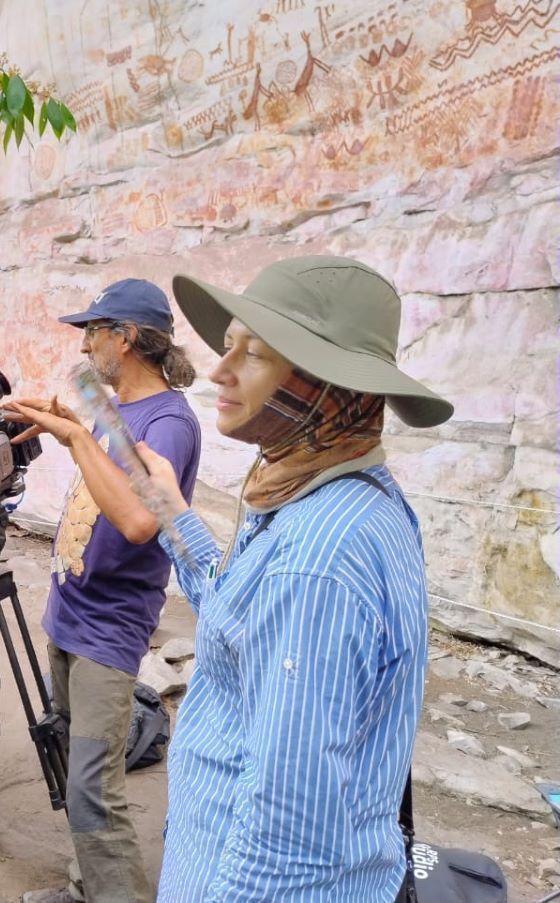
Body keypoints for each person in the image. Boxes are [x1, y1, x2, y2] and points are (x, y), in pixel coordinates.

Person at [134, 256, 453, 901]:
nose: (219, 372)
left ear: (326, 384)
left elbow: (289, 833)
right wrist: (171, 506)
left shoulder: (318, 559)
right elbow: (239, 611)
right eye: (228, 348)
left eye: (255, 356)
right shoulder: (324, 490)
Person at [2, 278, 202, 903]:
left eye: (94, 332)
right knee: (73, 763)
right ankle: (84, 885)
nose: (86, 347)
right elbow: (108, 467)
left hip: (107, 632)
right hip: (69, 615)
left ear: (128, 337)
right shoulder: (119, 412)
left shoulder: (169, 421)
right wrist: (68, 422)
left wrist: (76, 437)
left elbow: (143, 520)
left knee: (93, 786)